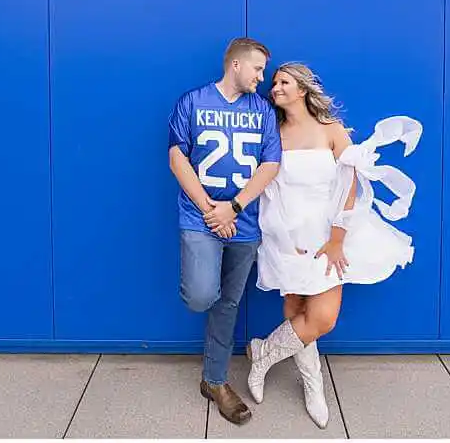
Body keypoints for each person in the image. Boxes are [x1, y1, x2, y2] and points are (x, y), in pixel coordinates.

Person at [245, 63, 422, 428]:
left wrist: (337, 239)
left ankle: (263, 355)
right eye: (274, 82)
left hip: (328, 233)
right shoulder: (273, 132)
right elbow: (270, 190)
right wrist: (280, 236)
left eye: (283, 82)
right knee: (295, 308)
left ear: (303, 90)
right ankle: (313, 385)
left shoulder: (331, 130)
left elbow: (350, 183)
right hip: (286, 234)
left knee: (322, 316)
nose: (275, 87)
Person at [167, 37, 283, 426]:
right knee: (203, 296)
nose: (261, 77)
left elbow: (270, 165)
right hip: (201, 217)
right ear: (236, 65)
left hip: (243, 220)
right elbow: (176, 157)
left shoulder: (263, 111)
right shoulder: (193, 102)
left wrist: (233, 207)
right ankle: (213, 375)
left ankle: (214, 381)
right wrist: (210, 210)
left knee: (228, 304)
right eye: (257, 69)